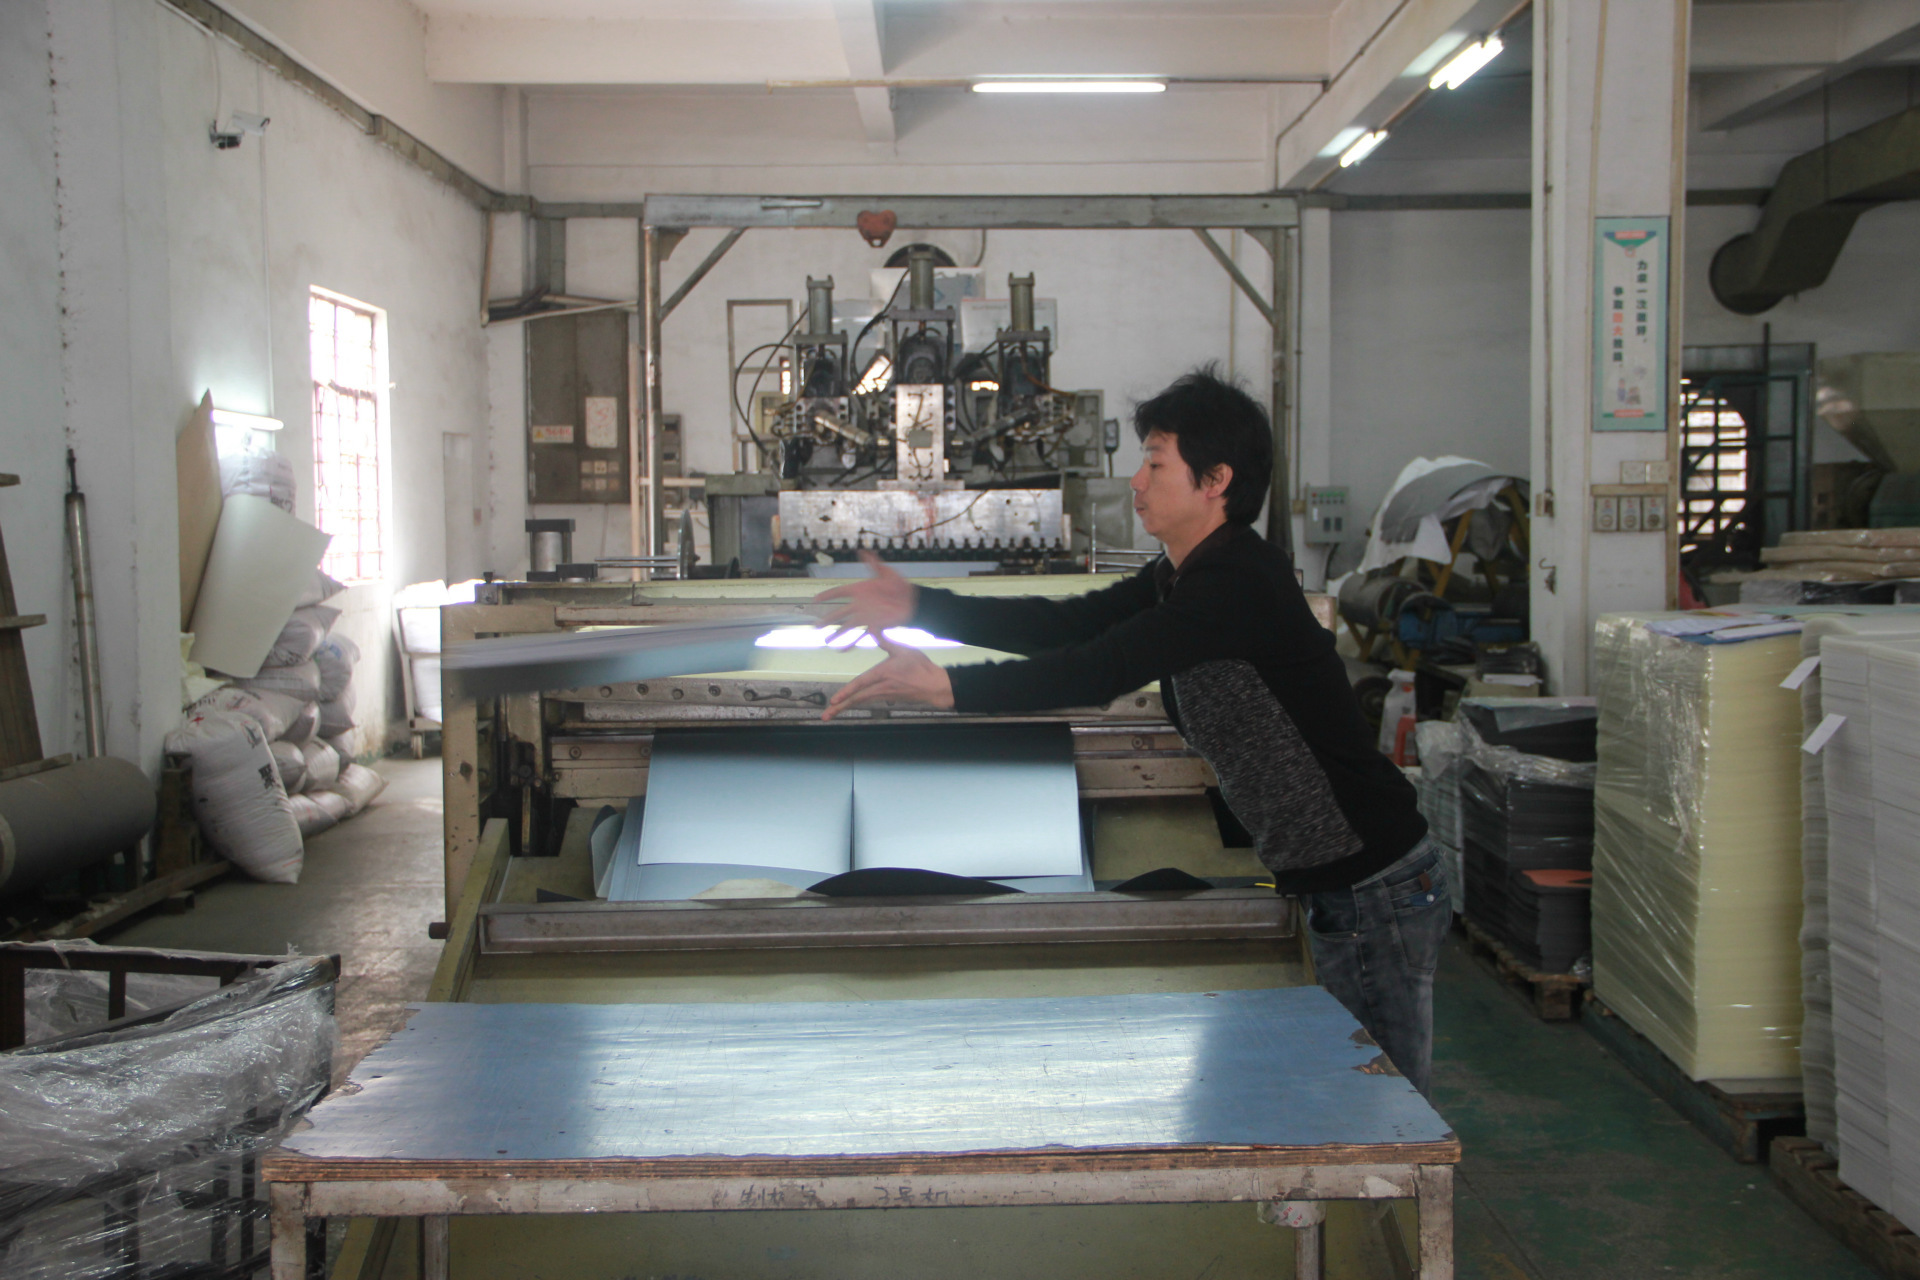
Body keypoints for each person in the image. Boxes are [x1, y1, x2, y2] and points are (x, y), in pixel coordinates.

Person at [814, 366, 1450, 1094]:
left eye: (1155, 463)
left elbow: (1098, 669)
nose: (1136, 482)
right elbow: (1068, 625)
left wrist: (949, 688)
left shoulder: (1237, 583)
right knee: (1343, 1098)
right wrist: (919, 604)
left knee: (1382, 1108)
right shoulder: (1181, 574)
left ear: (1216, 480)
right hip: (1337, 883)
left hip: (1372, 885)